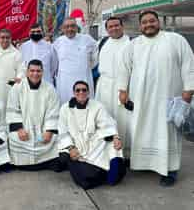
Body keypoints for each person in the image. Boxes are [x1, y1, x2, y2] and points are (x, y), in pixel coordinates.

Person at [118, 10, 194, 186]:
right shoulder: (134, 44)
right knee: (141, 128)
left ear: (158, 22)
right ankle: (145, 164)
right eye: (144, 22)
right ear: (140, 26)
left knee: (167, 133)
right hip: (142, 99)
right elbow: (124, 68)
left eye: (152, 21)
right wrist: (123, 90)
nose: (148, 24)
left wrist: (188, 90)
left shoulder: (175, 40)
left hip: (168, 99)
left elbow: (188, 64)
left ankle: (170, 170)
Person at [58, 81, 126, 190]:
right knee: (85, 180)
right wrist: (71, 148)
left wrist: (115, 137)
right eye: (78, 90)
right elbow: (62, 131)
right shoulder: (65, 109)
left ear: (88, 92)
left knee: (113, 144)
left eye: (84, 90)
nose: (81, 92)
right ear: (73, 93)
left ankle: (113, 168)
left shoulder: (97, 106)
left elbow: (107, 123)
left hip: (92, 142)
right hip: (75, 144)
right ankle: (102, 173)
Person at [6, 59, 60, 170]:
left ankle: (45, 162)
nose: (35, 74)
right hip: (24, 131)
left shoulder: (50, 89)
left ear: (43, 72)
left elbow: (53, 112)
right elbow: (12, 110)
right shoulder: (17, 87)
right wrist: (19, 130)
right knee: (12, 137)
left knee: (56, 138)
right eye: (32, 71)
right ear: (27, 72)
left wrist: (49, 131)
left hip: (43, 131)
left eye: (38, 71)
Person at [95, 17, 131, 157]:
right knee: (105, 116)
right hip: (104, 86)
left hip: (123, 86)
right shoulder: (102, 42)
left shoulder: (131, 43)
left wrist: (127, 89)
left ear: (122, 26)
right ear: (106, 29)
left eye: (117, 25)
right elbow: (94, 61)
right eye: (110, 26)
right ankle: (106, 149)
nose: (114, 28)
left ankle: (124, 152)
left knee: (123, 120)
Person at [53, 17, 98, 104]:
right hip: (65, 82)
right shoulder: (58, 42)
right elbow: (54, 62)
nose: (70, 29)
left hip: (83, 79)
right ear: (63, 29)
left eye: (72, 26)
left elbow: (95, 56)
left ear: (77, 27)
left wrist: (88, 67)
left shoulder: (87, 39)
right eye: (67, 27)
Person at [0, 28, 24, 103]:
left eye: (7, 38)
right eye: (2, 37)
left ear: (11, 38)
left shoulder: (17, 53)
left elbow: (21, 71)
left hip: (9, 89)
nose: (5, 40)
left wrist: (15, 82)